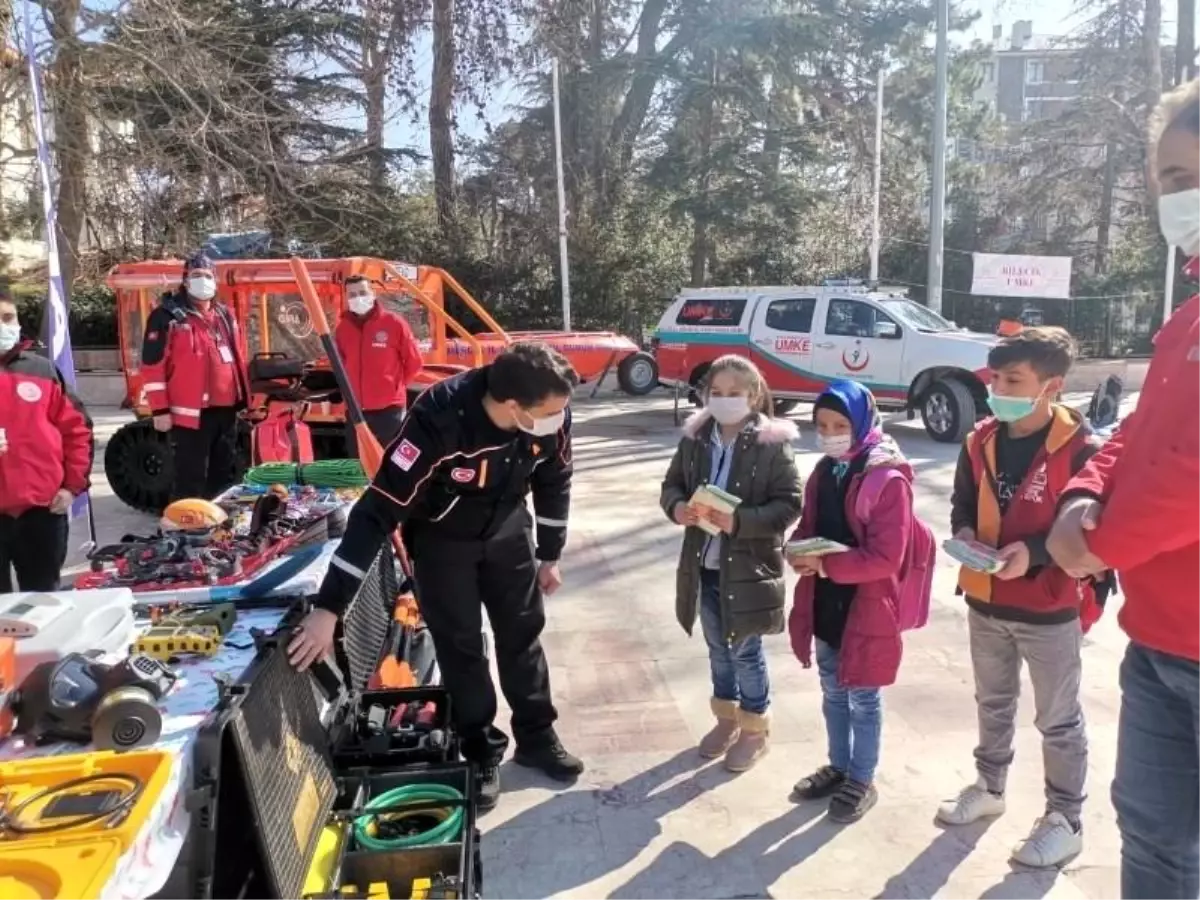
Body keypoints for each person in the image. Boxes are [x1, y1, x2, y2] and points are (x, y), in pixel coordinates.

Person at [290, 341, 582, 810]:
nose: (560, 418)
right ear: (512, 406)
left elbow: (555, 478)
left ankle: (537, 736)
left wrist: (550, 554)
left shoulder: (550, 413)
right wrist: (329, 608)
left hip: (508, 528)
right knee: (461, 644)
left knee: (522, 633)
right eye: (550, 412)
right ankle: (481, 749)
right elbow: (375, 512)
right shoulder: (440, 420)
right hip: (442, 539)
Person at [1048, 80, 1200, 898]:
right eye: (1169, 181)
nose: (1177, 198)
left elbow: (1192, 475)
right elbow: (1139, 434)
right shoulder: (1188, 321)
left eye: (1191, 177)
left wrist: (1097, 544)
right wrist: (1084, 494)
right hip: (1161, 645)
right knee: (1149, 836)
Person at [937, 327, 1103, 869]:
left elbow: (1094, 533)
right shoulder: (979, 439)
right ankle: (989, 787)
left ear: (1051, 386)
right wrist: (963, 533)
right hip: (985, 600)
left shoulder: (1083, 448)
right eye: (994, 378)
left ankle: (1065, 819)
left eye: (1013, 380)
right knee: (993, 702)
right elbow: (962, 502)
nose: (997, 388)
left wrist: (1034, 553)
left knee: (1057, 719)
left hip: (1050, 608)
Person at [659, 355, 802, 774]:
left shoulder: (772, 443)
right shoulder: (697, 437)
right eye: (716, 393)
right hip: (703, 564)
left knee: (745, 651)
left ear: (754, 395)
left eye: (734, 394)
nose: (724, 401)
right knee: (717, 650)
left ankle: (755, 729)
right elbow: (671, 485)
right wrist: (678, 507)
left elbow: (789, 503)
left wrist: (740, 521)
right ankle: (726, 718)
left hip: (748, 568)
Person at [787, 380, 914, 824]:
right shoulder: (824, 471)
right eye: (822, 425)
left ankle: (862, 777)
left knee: (863, 696)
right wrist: (796, 549)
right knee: (832, 690)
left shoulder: (886, 478)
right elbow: (807, 526)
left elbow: (886, 557)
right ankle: (838, 766)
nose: (830, 432)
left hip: (867, 605)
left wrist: (826, 567)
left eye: (841, 424)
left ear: (862, 422)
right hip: (825, 602)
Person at [0, 295, 93, 592]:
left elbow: (78, 431)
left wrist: (71, 487)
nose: (4, 326)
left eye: (8, 318)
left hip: (42, 512)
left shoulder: (42, 370)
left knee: (43, 606)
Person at [142, 253, 249, 502]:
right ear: (185, 280)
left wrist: (246, 400)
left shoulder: (225, 315)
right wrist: (160, 411)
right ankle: (186, 531)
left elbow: (238, 358)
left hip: (226, 412)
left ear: (216, 280)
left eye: (208, 276)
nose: (203, 281)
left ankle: (218, 530)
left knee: (223, 478)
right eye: (196, 275)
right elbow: (152, 367)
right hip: (190, 416)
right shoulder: (166, 316)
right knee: (190, 479)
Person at [334, 275, 423, 454]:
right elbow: (340, 365)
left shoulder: (394, 323)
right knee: (358, 466)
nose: (358, 298)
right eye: (352, 294)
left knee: (390, 465)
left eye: (362, 292)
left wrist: (395, 387)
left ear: (373, 293)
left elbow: (415, 362)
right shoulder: (342, 329)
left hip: (389, 411)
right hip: (356, 411)